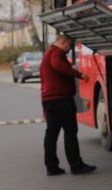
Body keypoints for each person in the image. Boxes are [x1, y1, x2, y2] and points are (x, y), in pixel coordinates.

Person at [41, 34, 96, 176]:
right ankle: (76, 165)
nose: (69, 50)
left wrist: (43, 106)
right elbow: (57, 65)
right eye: (69, 46)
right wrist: (79, 74)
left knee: (51, 134)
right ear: (63, 42)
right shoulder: (56, 53)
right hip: (62, 100)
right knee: (70, 132)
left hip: (50, 101)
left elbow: (44, 83)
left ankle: (51, 167)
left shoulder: (47, 54)